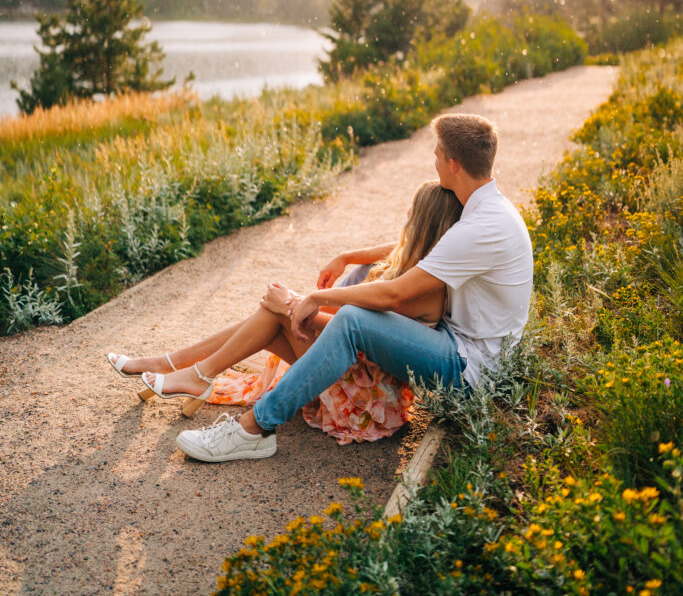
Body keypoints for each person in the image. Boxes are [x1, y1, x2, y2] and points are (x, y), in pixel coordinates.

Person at [168, 112, 533, 463]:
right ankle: (192, 373)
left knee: (352, 321)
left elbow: (394, 294)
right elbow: (420, 246)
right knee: (338, 315)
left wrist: (315, 298)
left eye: (437, 154)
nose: (434, 161)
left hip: (470, 367)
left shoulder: (481, 226)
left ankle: (252, 431)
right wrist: (349, 256)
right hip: (469, 353)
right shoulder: (487, 213)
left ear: (453, 164)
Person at [106, 180, 463, 441]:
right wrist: (345, 257)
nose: (405, 214)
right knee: (272, 315)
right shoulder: (419, 259)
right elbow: (393, 248)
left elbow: (346, 332)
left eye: (412, 212)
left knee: (276, 311)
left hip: (366, 401)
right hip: (352, 373)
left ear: (424, 224)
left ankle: (187, 370)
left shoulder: (425, 288)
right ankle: (183, 368)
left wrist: (292, 304)